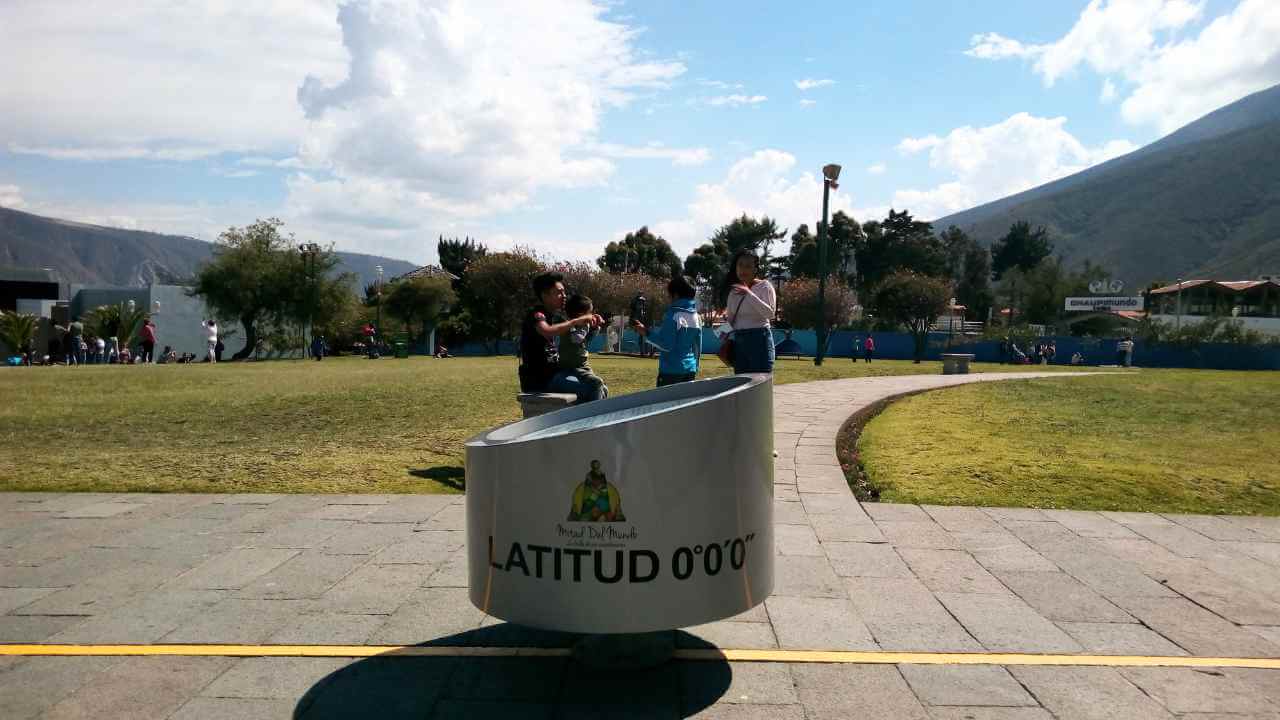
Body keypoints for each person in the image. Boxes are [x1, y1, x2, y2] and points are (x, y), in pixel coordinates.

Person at [517, 271, 602, 403]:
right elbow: (547, 331)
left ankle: (580, 421)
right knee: (593, 387)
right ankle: (591, 422)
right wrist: (575, 321)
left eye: (564, 292)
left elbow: (578, 338)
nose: (564, 296)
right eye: (559, 292)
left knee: (600, 387)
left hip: (557, 374)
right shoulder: (536, 315)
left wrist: (592, 325)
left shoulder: (557, 317)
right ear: (545, 295)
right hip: (540, 380)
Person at [633, 274, 702, 387]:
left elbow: (666, 344)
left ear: (675, 295)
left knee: (665, 404)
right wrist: (695, 367)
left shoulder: (673, 314)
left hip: (671, 371)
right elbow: (697, 347)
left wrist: (646, 332)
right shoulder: (697, 317)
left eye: (669, 295)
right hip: (690, 370)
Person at [723, 250, 777, 375]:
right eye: (740, 265)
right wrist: (721, 335)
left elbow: (770, 314)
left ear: (756, 269)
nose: (743, 269)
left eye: (748, 266)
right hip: (739, 341)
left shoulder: (765, 286)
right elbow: (731, 320)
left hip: (760, 340)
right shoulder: (733, 291)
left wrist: (748, 293)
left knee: (760, 383)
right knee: (741, 384)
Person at [557, 294, 608, 401]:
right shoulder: (568, 325)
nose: (591, 315)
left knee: (604, 389)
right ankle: (594, 413)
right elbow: (577, 339)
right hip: (573, 367)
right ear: (581, 315)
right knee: (597, 383)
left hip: (582, 365)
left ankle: (598, 410)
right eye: (589, 313)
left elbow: (585, 341)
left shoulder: (581, 326)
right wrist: (587, 325)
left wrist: (596, 327)